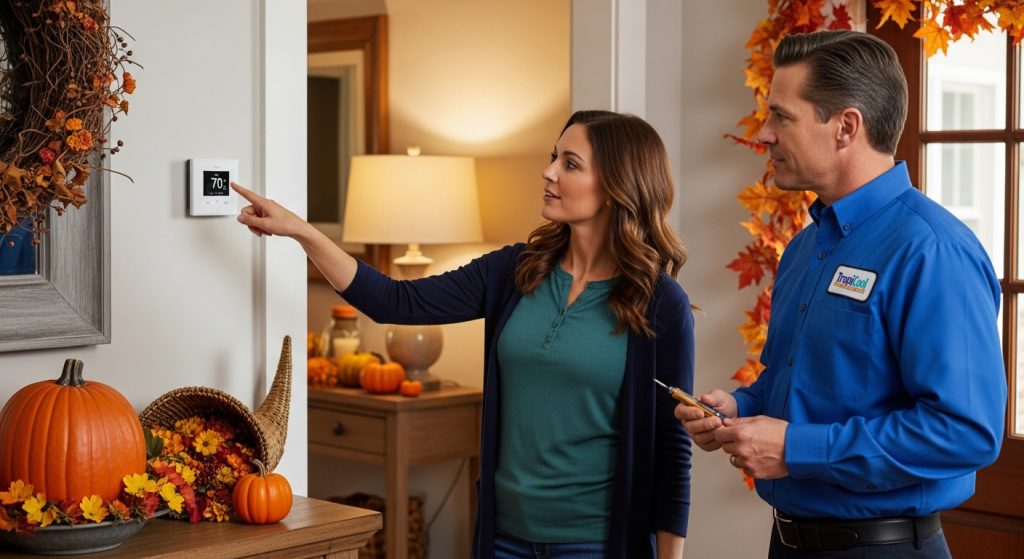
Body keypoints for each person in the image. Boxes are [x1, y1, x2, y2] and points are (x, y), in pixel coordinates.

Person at [233, 110, 694, 559]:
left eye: (570, 164)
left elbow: (672, 450)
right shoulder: (514, 271)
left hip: (596, 543)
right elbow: (396, 301)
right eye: (554, 157)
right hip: (504, 538)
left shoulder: (658, 302)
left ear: (616, 188)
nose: (548, 172)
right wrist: (302, 232)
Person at [677, 30, 1006, 558]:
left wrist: (795, 448)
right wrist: (738, 408)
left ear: (846, 127)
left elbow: (963, 432)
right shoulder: (805, 249)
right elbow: (808, 386)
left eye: (781, 116)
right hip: (787, 544)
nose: (763, 134)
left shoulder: (933, 251)